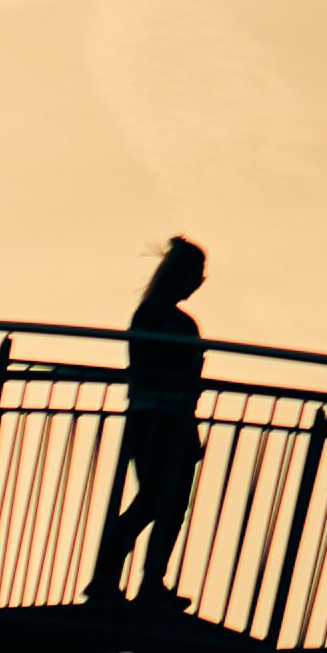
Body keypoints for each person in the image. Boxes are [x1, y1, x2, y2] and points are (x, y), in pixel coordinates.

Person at [92, 237, 211, 614]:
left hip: (173, 420)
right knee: (154, 501)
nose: (199, 282)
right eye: (196, 274)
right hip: (152, 419)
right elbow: (159, 369)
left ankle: (146, 583)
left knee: (171, 505)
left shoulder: (172, 320)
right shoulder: (154, 318)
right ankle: (109, 580)